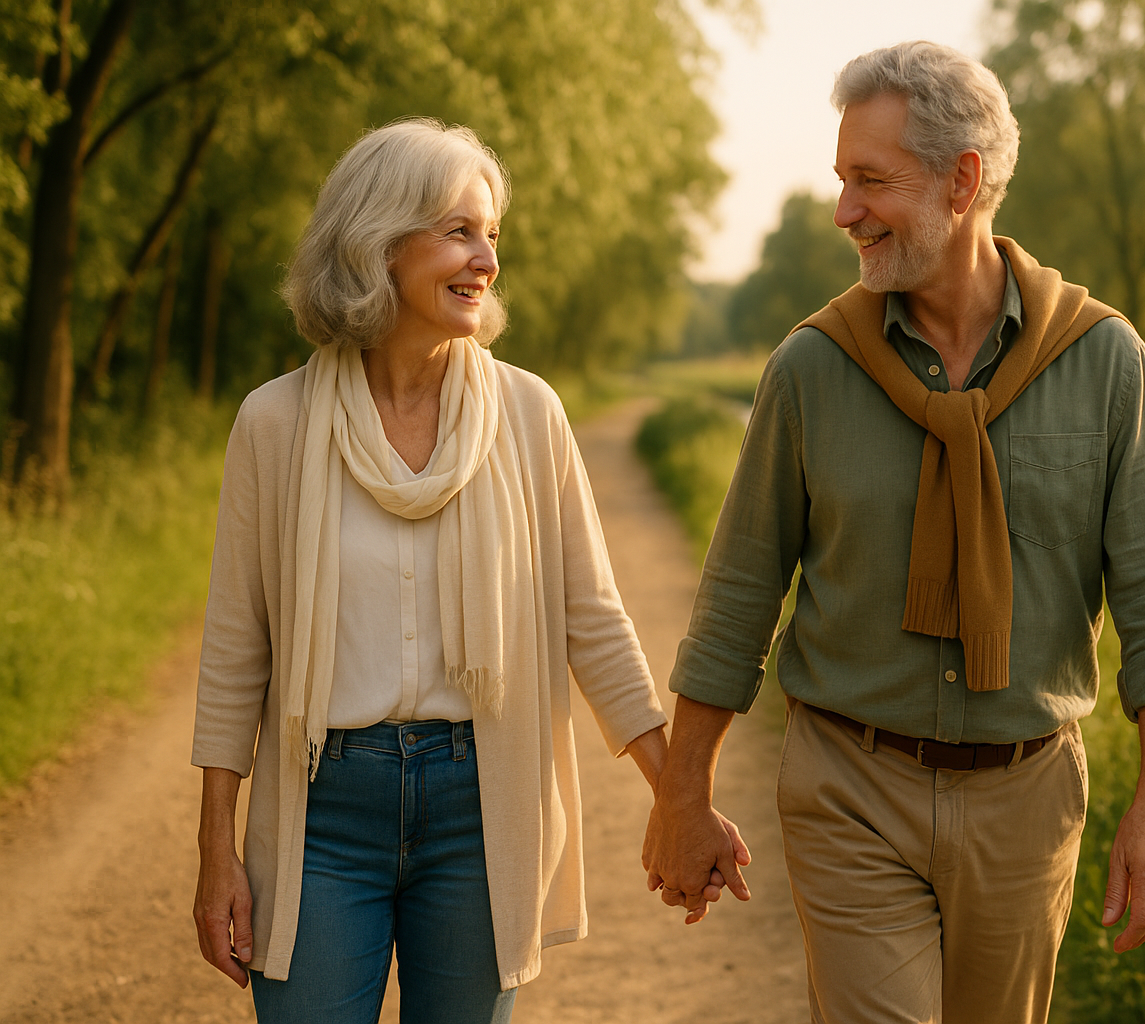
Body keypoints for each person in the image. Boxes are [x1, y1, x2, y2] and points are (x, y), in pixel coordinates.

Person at [643, 42, 1145, 1023]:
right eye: (841, 180)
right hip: (849, 786)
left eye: (871, 180)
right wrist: (682, 793)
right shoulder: (811, 370)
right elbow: (740, 598)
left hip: (1029, 798)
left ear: (963, 181)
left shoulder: (1106, 363)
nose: (844, 211)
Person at [190, 118, 744, 1024]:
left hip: (481, 811)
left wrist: (679, 797)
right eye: (458, 231)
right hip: (322, 817)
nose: (486, 258)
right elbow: (233, 650)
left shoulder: (530, 415)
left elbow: (592, 622)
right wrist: (217, 851)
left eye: (492, 235)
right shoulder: (275, 424)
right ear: (379, 242)